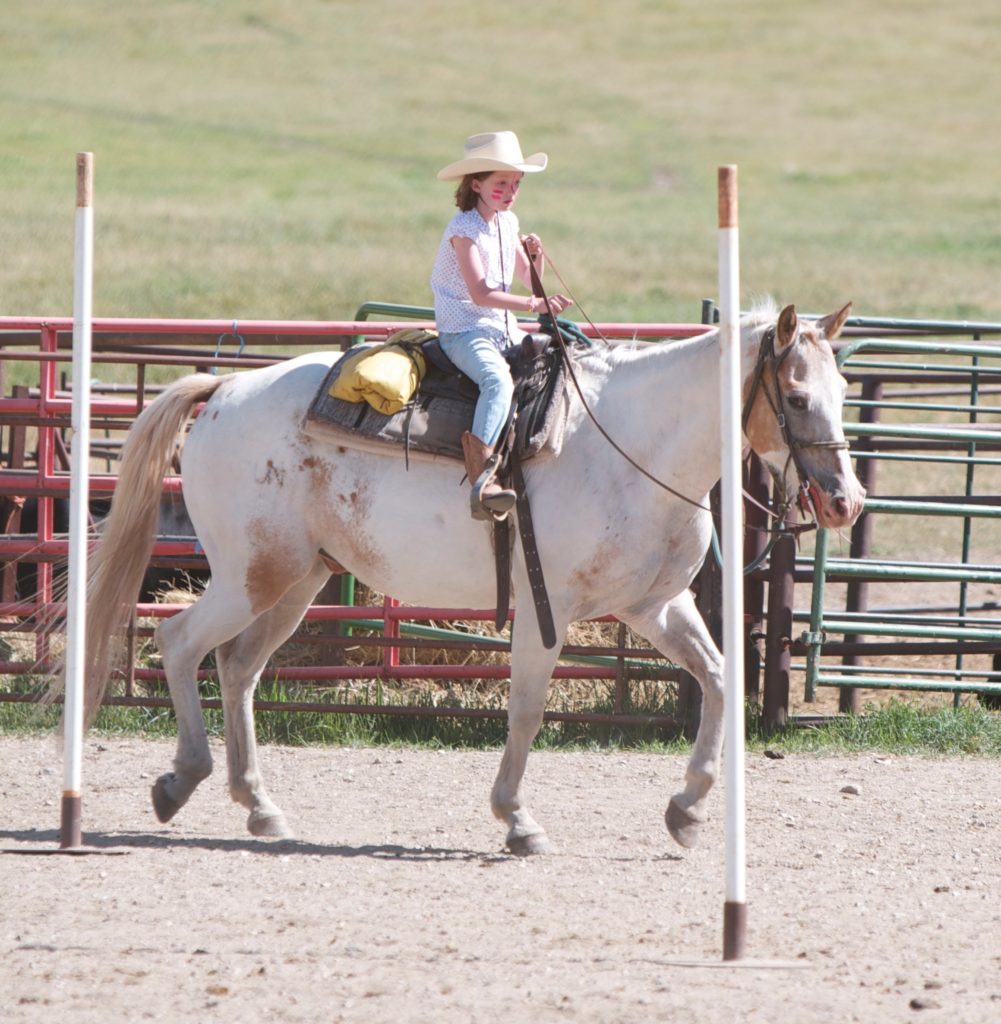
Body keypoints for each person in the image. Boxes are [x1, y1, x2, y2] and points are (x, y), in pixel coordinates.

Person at [431, 130, 572, 520]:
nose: (510, 192)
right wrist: (535, 304)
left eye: (516, 184)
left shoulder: (507, 222)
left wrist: (536, 257)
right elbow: (480, 292)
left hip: (501, 326)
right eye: (501, 184)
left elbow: (529, 278)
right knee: (497, 382)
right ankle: (483, 479)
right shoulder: (464, 230)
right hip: (464, 329)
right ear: (476, 184)